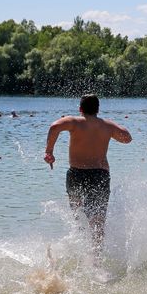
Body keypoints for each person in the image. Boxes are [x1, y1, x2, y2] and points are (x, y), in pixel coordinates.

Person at [44, 94, 132, 256]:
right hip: (100, 175)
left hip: (76, 174)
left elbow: (54, 127)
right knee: (97, 222)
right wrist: (112, 125)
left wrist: (49, 152)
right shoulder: (107, 126)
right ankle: (96, 262)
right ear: (98, 109)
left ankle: (80, 248)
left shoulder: (75, 122)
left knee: (78, 215)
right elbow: (127, 138)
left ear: (80, 109)